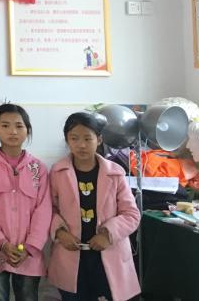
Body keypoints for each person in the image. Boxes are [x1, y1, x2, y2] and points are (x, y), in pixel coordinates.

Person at [48, 111, 140, 301]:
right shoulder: (57, 172)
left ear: (99, 140)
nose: (81, 144)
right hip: (71, 254)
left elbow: (131, 214)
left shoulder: (115, 173)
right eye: (74, 138)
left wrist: (107, 234)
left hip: (109, 253)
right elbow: (48, 209)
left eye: (87, 138)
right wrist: (60, 232)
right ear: (67, 140)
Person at [0, 104, 51, 301]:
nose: (13, 131)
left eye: (19, 126)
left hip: (28, 251)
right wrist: (1, 243)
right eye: (5, 125)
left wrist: (31, 246)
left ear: (28, 130)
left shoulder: (38, 168)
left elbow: (44, 211)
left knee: (27, 296)